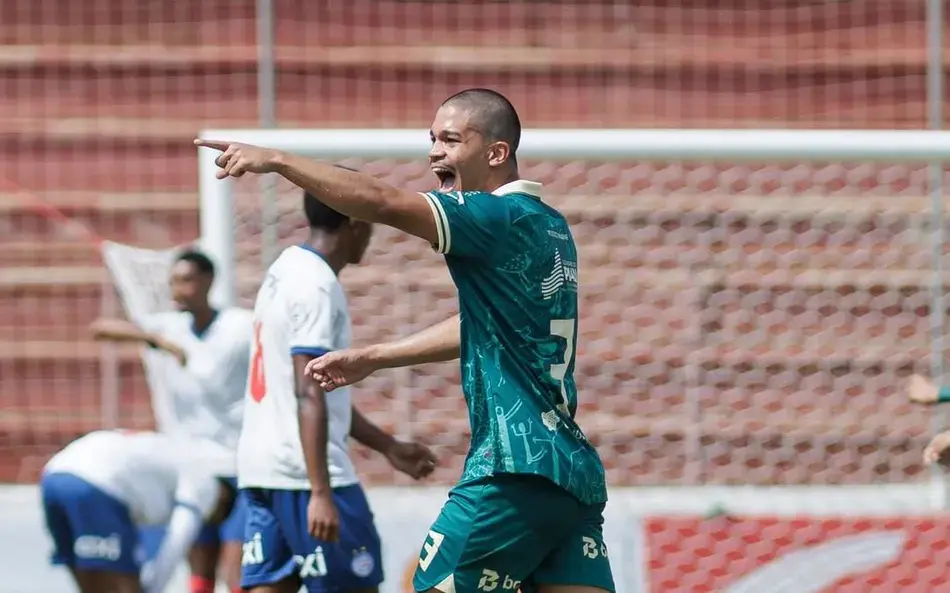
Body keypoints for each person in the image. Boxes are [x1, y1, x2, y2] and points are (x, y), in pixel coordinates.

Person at [195, 87, 614, 593]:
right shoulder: (549, 224)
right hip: (570, 471)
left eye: (451, 140)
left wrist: (278, 160)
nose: (435, 152)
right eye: (432, 139)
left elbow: (380, 202)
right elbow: (485, 324)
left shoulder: (492, 216)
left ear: (496, 153)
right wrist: (377, 357)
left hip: (512, 469)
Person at [235, 189, 438, 593]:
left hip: (261, 472)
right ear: (356, 222)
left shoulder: (283, 269)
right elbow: (308, 392)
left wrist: (386, 446)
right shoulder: (317, 286)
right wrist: (321, 492)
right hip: (305, 476)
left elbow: (315, 391)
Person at [90, 249, 252, 593]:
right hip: (194, 467)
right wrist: (155, 340)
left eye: (185, 280)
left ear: (209, 281)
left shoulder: (239, 326)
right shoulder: (168, 327)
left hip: (239, 465)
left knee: (238, 572)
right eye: (173, 282)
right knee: (200, 569)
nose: (177, 289)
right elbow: (100, 329)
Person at [39, 430, 237, 593]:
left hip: (53, 475)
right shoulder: (206, 484)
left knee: (91, 578)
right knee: (124, 582)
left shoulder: (172, 455)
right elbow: (176, 541)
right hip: (99, 482)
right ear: (223, 497)